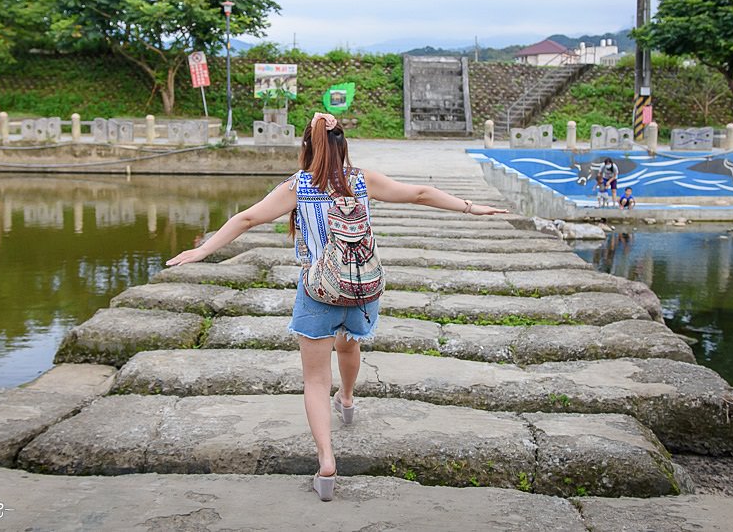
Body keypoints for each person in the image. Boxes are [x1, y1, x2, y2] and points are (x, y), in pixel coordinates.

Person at [166, 112, 507, 501]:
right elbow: (420, 194)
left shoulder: (298, 187)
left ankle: (326, 461)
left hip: (318, 292)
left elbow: (246, 218)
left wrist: (204, 249)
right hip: (362, 289)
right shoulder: (362, 181)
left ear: (307, 148)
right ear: (344, 146)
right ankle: (347, 399)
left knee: (314, 379)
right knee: (349, 344)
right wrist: (470, 207)